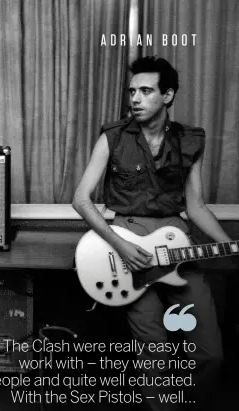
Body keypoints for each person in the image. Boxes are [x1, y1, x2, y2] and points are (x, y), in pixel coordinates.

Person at [72, 56, 228, 410]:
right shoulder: (112, 137)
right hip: (129, 250)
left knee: (210, 356)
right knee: (153, 356)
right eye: (132, 91)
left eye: (146, 91)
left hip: (177, 247)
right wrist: (120, 245)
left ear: (168, 95)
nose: (135, 99)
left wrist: (228, 246)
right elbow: (81, 199)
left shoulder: (190, 141)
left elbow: (197, 205)